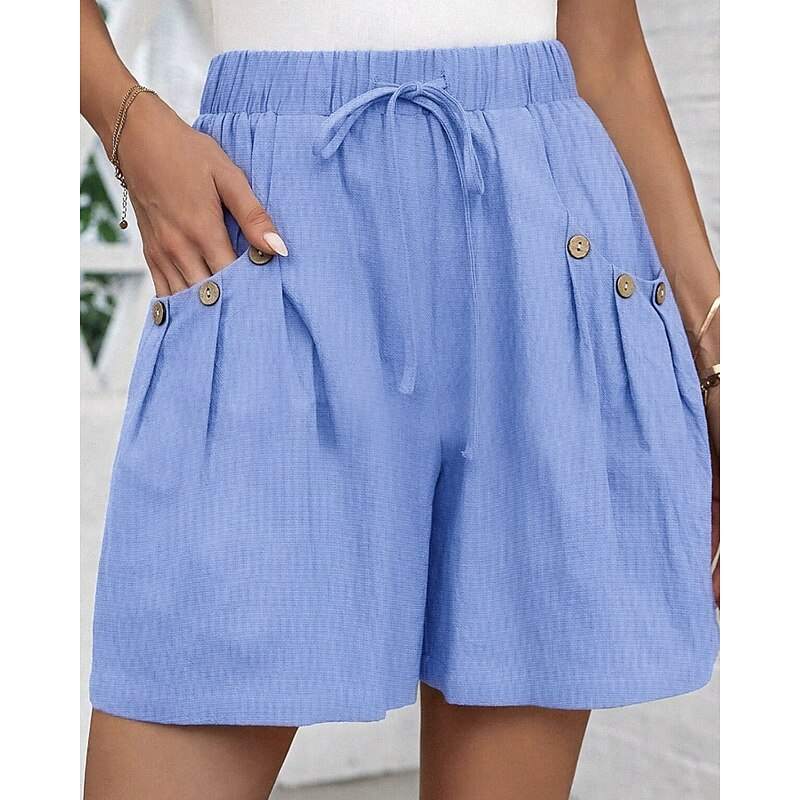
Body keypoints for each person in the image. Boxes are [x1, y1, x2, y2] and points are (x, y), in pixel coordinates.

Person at [81, 0, 721, 797]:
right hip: (272, 222)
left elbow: (607, 52)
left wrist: (718, 360)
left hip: (537, 246)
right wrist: (129, 124)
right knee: (175, 687)